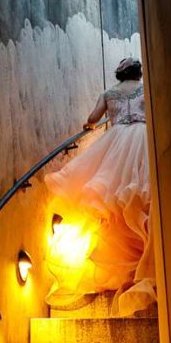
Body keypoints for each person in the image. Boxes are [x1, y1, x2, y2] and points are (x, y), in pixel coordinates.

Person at [44, 57, 155, 317]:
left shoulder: (108, 93)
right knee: (141, 198)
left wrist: (92, 125)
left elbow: (91, 119)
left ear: (119, 74)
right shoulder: (146, 88)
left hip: (116, 144)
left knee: (111, 206)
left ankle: (127, 263)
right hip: (141, 138)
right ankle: (147, 261)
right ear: (138, 73)